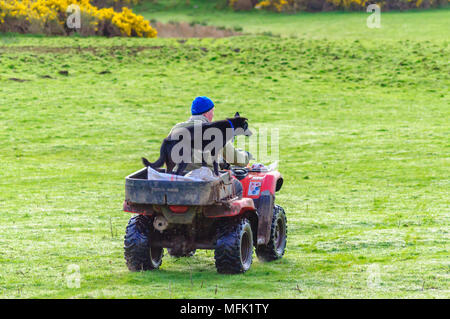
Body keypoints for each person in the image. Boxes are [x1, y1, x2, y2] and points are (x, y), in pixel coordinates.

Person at [169, 96, 253, 197]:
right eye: (212, 111)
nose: (213, 115)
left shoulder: (177, 128)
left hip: (178, 179)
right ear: (206, 113)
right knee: (237, 186)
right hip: (204, 183)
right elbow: (236, 159)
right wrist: (247, 156)